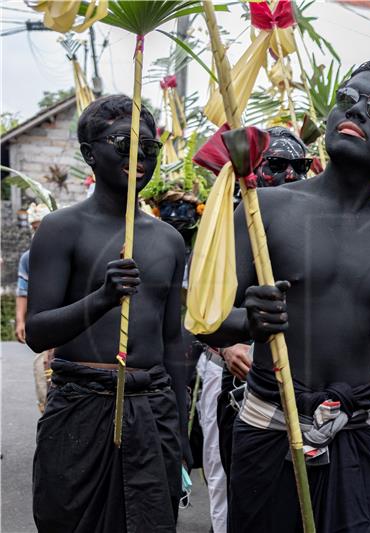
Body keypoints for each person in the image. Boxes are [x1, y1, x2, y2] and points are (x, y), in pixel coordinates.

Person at [202, 60, 370, 532]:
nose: (356, 110)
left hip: (358, 432)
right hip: (270, 428)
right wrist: (249, 320)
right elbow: (211, 319)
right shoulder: (263, 208)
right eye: (347, 99)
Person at [26, 95, 189, 533]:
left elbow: (172, 341)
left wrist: (180, 428)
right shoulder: (61, 229)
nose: (138, 156)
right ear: (89, 153)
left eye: (149, 148)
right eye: (124, 142)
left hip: (153, 409)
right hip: (81, 406)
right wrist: (102, 298)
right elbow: (37, 333)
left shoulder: (170, 240)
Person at [197, 126, 312, 533]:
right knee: (233, 492)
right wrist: (228, 349)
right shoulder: (225, 228)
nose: (291, 176)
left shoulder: (313, 232)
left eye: (301, 167)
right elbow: (200, 317)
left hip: (301, 389)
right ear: (254, 170)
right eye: (277, 165)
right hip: (235, 381)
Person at [17, 203, 52, 412]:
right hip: (43, 324)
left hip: (69, 326)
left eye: (42, 227)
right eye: (35, 228)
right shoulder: (28, 258)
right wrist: (21, 320)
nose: (38, 233)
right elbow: (23, 291)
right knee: (42, 372)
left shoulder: (68, 249)